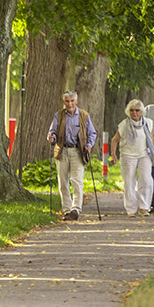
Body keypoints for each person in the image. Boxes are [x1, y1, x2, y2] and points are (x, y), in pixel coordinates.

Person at [45, 91, 98, 221]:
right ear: (64, 102)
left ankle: (76, 209)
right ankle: (67, 210)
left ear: (76, 101)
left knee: (77, 180)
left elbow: (92, 133)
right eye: (67, 101)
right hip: (62, 151)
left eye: (72, 101)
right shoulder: (59, 115)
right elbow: (52, 131)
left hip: (77, 151)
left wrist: (89, 145)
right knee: (63, 181)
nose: (70, 104)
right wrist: (51, 137)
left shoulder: (84, 116)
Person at [112, 99, 154, 217]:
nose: (134, 113)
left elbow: (152, 140)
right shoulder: (124, 125)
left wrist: (153, 156)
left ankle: (144, 207)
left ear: (141, 111)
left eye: (137, 110)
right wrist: (113, 154)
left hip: (144, 155)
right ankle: (131, 209)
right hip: (128, 156)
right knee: (129, 182)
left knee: (146, 180)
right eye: (132, 110)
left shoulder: (148, 123)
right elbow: (114, 140)